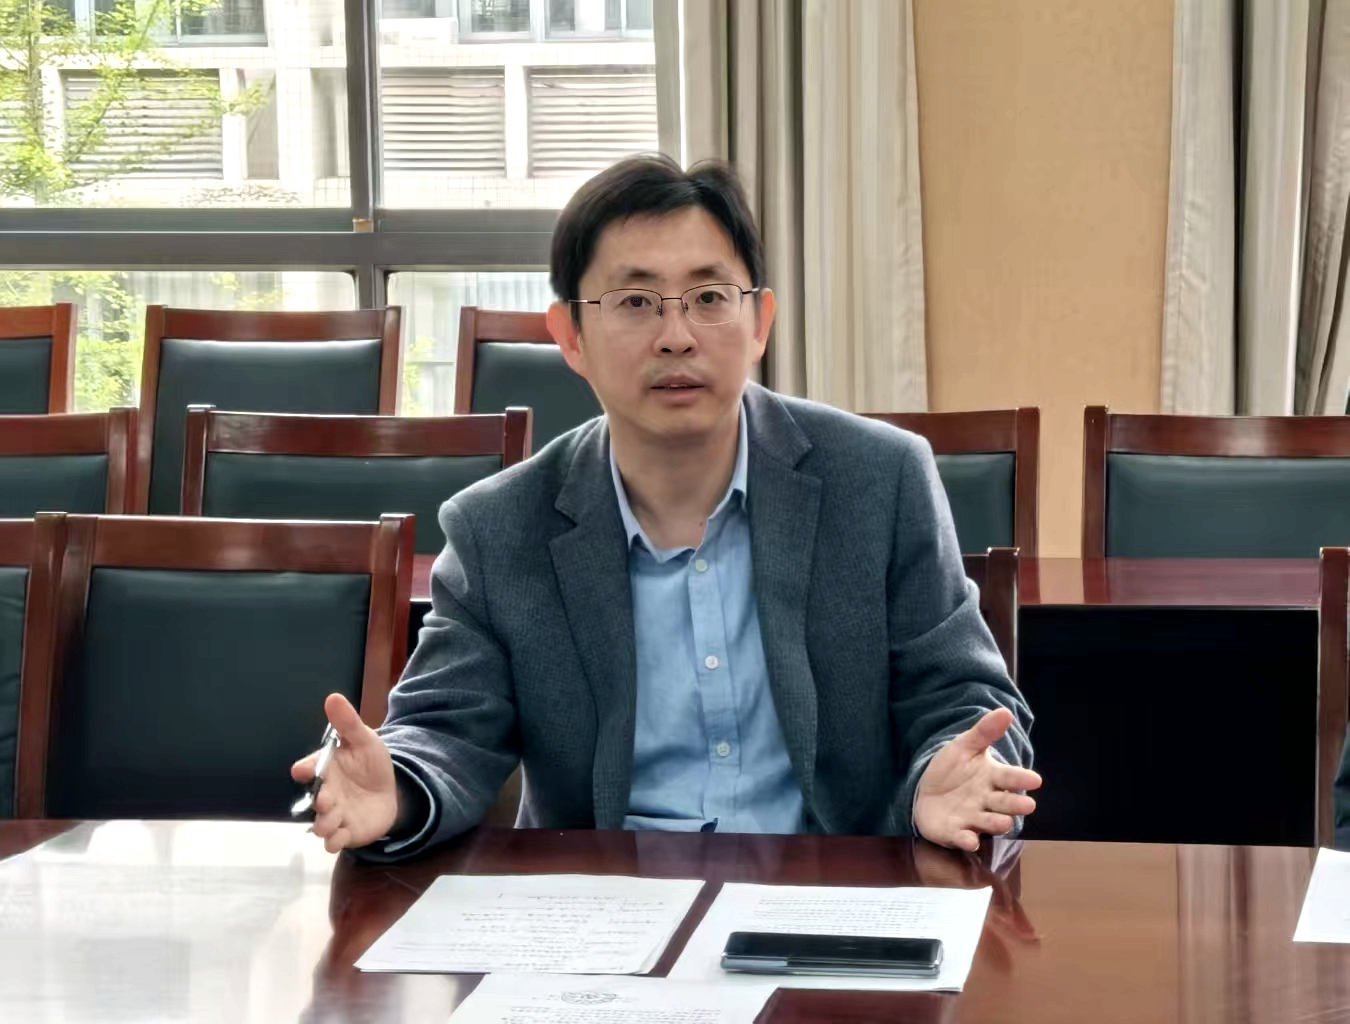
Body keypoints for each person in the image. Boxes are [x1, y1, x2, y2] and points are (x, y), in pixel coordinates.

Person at [292, 155, 1040, 858]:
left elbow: (962, 695)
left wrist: (951, 775)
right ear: (570, 336)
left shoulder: (880, 480)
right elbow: (444, 729)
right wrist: (401, 787)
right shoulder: (499, 528)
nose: (676, 337)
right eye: (635, 302)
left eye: (709, 298)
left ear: (759, 322)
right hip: (603, 908)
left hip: (826, 891)